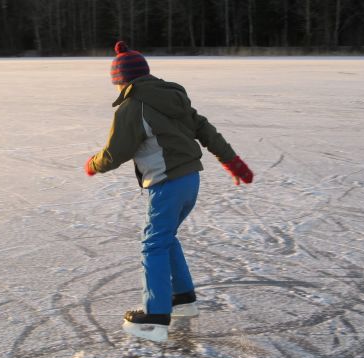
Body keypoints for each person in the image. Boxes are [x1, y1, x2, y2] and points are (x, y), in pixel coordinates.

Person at [84, 41, 253, 342]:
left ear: (121, 80)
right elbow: (205, 130)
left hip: (167, 182)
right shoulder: (173, 97)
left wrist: (93, 165)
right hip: (190, 180)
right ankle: (182, 298)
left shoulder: (132, 107)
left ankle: (156, 316)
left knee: (153, 244)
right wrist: (233, 162)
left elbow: (115, 152)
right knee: (166, 237)